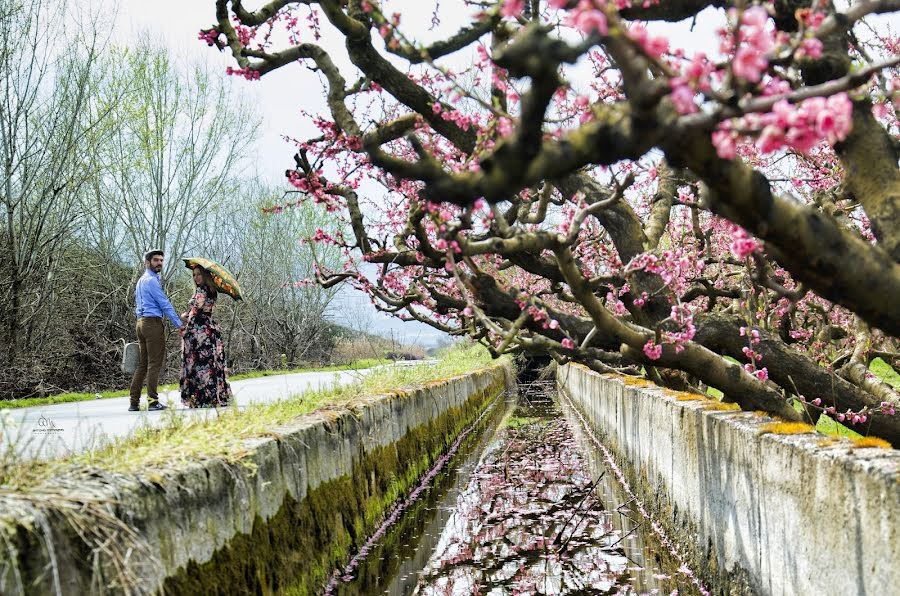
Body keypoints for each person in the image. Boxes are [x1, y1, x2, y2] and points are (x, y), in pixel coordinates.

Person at [129, 249, 182, 412]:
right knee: (154, 363)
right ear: (147, 263)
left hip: (141, 323)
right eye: (155, 260)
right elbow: (164, 304)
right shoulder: (151, 281)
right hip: (151, 323)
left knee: (143, 364)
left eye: (161, 260)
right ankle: (152, 402)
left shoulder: (140, 281)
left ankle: (134, 402)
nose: (159, 263)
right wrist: (180, 325)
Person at [180, 265, 232, 408]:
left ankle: (203, 399)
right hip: (210, 330)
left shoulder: (202, 290)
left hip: (200, 332)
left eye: (199, 274)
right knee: (211, 365)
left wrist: (185, 316)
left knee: (199, 365)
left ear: (205, 276)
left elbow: (195, 311)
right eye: (194, 275)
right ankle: (215, 397)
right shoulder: (212, 290)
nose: (196, 278)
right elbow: (203, 308)